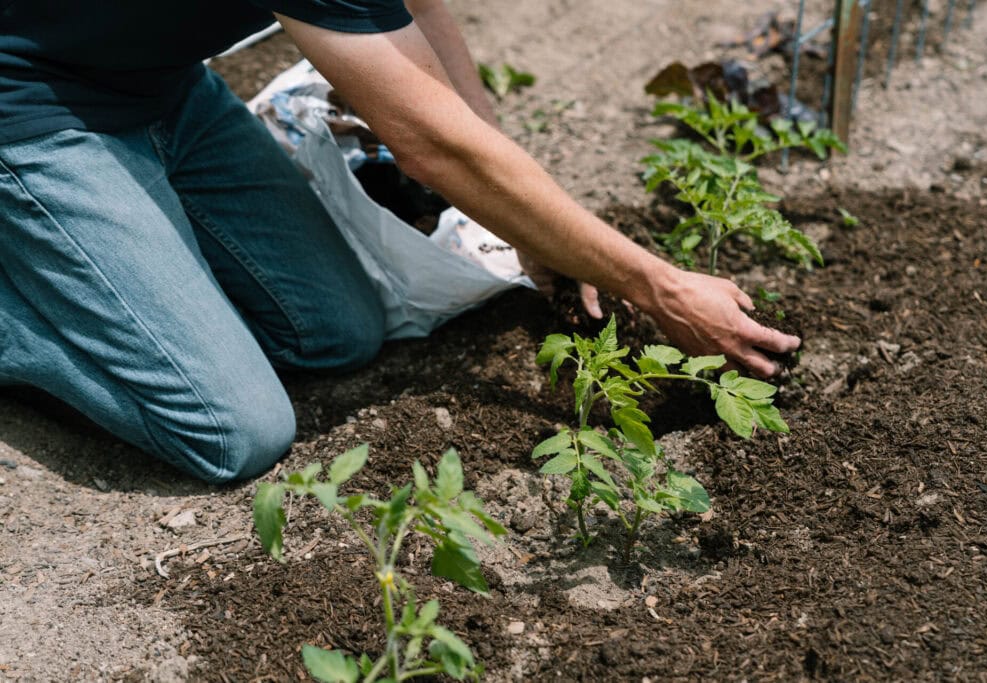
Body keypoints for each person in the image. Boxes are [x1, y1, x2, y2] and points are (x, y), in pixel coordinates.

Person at [0, 0, 800, 483]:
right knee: (234, 431)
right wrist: (656, 284)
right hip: (30, 101)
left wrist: (523, 225)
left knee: (334, 334)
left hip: (166, 86)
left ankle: (100, 256)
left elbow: (422, 18)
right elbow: (426, 141)